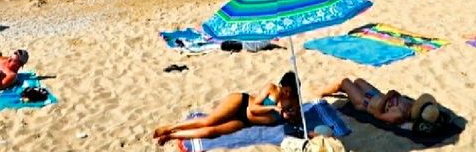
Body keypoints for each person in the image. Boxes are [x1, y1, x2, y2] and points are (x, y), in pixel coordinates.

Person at [153, 71, 301, 146]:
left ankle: (172, 135)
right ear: (283, 84)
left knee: (211, 132)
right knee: (208, 121)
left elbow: (296, 119)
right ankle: (171, 127)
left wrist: (290, 116)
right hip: (240, 103)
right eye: (286, 89)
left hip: (245, 122)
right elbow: (253, 109)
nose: (287, 93)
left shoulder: (293, 102)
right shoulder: (272, 88)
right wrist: (274, 109)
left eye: (290, 92)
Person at [317, 77, 445, 130]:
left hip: (364, 103)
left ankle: (322, 93)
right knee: (358, 81)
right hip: (376, 94)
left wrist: (387, 97)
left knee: (344, 82)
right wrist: (392, 95)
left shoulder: (399, 115)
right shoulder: (410, 104)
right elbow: (395, 96)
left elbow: (377, 116)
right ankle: (345, 91)